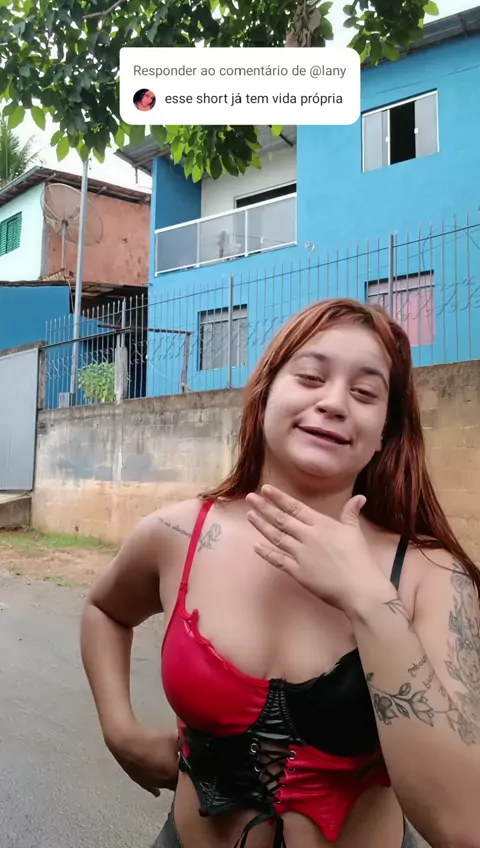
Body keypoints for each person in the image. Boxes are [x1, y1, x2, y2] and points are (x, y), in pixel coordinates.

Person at [80, 298, 480, 848]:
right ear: (264, 393)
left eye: (365, 393)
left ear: (385, 431)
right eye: (311, 377)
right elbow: (105, 610)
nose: (334, 402)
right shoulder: (176, 535)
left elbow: (462, 825)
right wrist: (119, 729)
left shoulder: (430, 574)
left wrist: (368, 599)